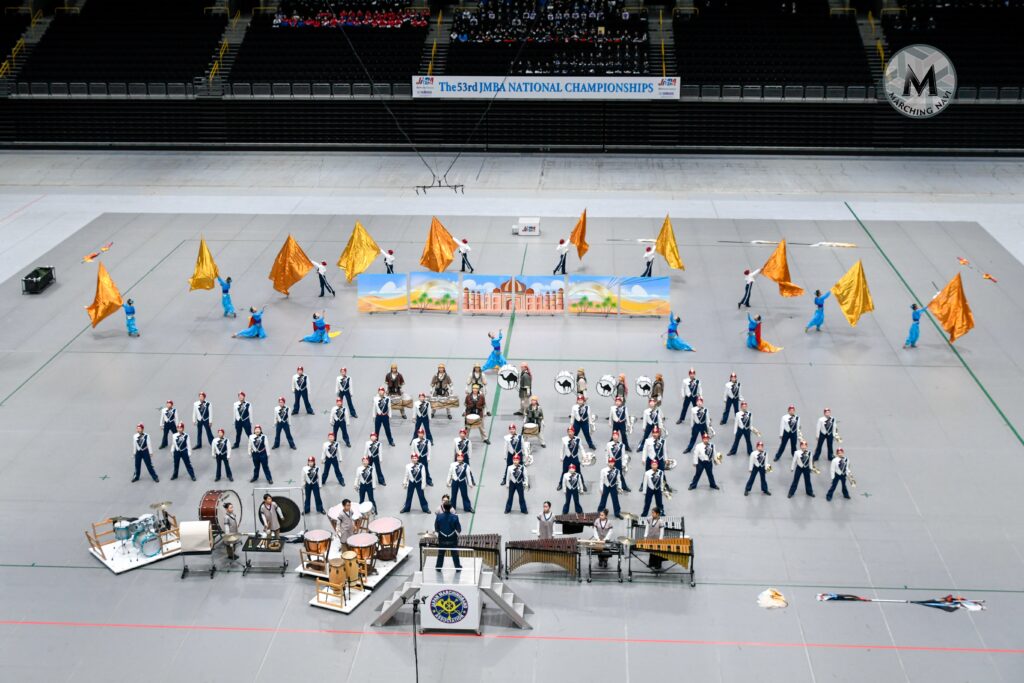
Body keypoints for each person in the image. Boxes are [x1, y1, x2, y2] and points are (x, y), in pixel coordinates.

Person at [434, 502, 463, 570]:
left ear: (443, 508)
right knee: (455, 553)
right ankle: (457, 567)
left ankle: (438, 567)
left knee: (441, 553)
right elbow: (459, 529)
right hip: (452, 539)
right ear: (451, 508)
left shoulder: (438, 516)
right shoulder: (455, 517)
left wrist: (441, 531)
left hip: (442, 538)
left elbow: (436, 528)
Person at [559, 427, 587, 492]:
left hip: (575, 457)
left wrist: (584, 456)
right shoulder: (564, 439)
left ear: (574, 432)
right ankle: (560, 483)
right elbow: (562, 449)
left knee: (578, 471)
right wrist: (561, 457)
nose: (570, 433)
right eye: (569, 432)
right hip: (567, 457)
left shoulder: (578, 439)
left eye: (571, 432)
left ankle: (582, 484)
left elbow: (581, 448)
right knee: (564, 471)